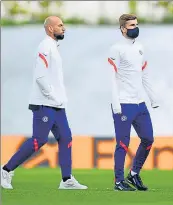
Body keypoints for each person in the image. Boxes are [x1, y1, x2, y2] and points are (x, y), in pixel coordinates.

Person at [1, 16, 87, 190]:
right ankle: (6, 170)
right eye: (60, 25)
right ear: (50, 29)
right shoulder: (45, 46)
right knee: (38, 140)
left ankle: (66, 179)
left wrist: (59, 99)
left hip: (56, 105)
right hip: (44, 103)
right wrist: (52, 96)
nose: (64, 28)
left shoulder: (54, 47)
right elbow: (40, 77)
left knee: (66, 138)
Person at [108, 14, 159, 191]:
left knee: (148, 139)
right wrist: (116, 105)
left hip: (140, 103)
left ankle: (134, 174)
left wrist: (153, 98)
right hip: (123, 103)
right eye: (131, 25)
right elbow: (111, 78)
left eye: (136, 24)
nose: (135, 27)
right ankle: (118, 181)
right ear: (123, 28)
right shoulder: (116, 49)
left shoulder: (140, 48)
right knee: (123, 143)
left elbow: (144, 74)